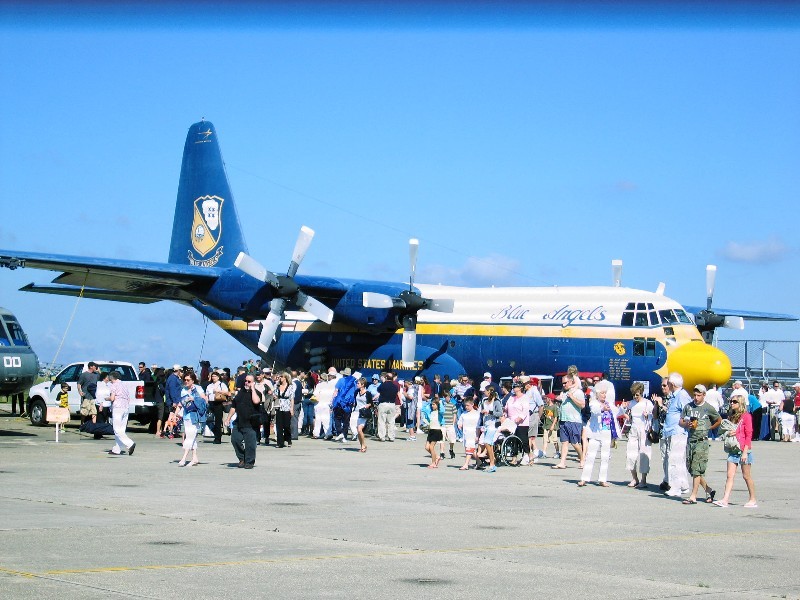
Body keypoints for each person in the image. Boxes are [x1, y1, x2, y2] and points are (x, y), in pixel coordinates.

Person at [679, 384, 721, 505]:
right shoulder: (688, 407)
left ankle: (693, 496)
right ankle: (709, 490)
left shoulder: (708, 408)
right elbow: (681, 421)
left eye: (699, 395)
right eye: (695, 395)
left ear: (704, 395)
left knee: (697, 470)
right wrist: (686, 424)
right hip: (690, 440)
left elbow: (718, 420)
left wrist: (709, 427)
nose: (696, 398)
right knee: (692, 469)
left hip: (702, 442)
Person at [713, 395, 757, 508]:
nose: (732, 403)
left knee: (746, 476)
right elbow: (729, 430)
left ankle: (752, 499)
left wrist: (745, 452)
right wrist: (728, 433)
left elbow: (749, 435)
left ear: (740, 403)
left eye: (734, 401)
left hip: (743, 449)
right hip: (733, 449)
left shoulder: (746, 416)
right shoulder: (732, 416)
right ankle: (725, 499)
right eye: (731, 401)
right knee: (729, 475)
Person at [654, 373, 692, 497]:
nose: (667, 385)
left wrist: (685, 424)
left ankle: (675, 487)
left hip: (678, 431)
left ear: (673, 384)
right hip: (672, 431)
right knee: (677, 460)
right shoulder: (675, 396)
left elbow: (688, 412)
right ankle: (683, 485)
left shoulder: (682, 395)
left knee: (674, 460)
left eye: (668, 383)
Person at [578, 380, 614, 487]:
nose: (604, 395)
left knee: (605, 457)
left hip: (606, 432)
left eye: (605, 393)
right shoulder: (594, 403)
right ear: (597, 394)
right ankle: (584, 478)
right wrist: (602, 408)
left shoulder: (609, 403)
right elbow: (594, 411)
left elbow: (615, 414)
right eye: (602, 393)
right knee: (591, 456)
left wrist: (623, 408)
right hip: (595, 433)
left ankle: (602, 479)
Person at [229, 373, 262, 468]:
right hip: (239, 421)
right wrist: (228, 418)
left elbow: (256, 401)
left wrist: (253, 389)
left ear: (253, 382)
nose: (246, 383)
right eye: (245, 381)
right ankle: (242, 458)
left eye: (249, 381)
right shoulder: (240, 393)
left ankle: (249, 462)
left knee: (250, 444)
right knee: (235, 440)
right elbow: (234, 406)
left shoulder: (256, 393)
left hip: (251, 423)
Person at [624, 382, 653, 488]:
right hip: (633, 429)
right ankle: (634, 478)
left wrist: (648, 416)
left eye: (637, 395)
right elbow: (624, 413)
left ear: (641, 393)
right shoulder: (631, 403)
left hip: (644, 430)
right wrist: (625, 413)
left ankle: (643, 480)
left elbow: (653, 417)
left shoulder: (647, 403)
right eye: (633, 395)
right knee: (630, 453)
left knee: (644, 454)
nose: (635, 397)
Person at [552, 374, 585, 469]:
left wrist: (572, 397)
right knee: (564, 442)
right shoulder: (564, 393)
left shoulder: (578, 392)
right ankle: (562, 462)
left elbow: (582, 405)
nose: (564, 385)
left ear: (571, 382)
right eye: (562, 383)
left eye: (565, 383)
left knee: (575, 443)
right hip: (564, 419)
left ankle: (582, 458)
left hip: (574, 420)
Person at [178, 371, 207, 467]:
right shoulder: (183, 390)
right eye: (185, 380)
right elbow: (181, 403)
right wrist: (174, 414)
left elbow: (204, 400)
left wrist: (194, 398)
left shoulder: (198, 388)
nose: (186, 382)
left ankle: (184, 458)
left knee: (190, 437)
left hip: (195, 416)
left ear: (193, 380)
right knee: (191, 436)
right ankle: (194, 458)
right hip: (186, 415)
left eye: (188, 380)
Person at [107, 371, 136, 456]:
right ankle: (117, 449)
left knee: (116, 429)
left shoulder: (114, 385)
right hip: (125, 408)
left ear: (112, 377)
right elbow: (128, 398)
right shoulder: (124, 385)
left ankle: (130, 443)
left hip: (118, 408)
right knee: (121, 430)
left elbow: (112, 398)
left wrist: (106, 398)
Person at [477, 387, 502, 473]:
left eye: (485, 391)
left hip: (493, 424)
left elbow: (500, 413)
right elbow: (480, 410)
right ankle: (492, 462)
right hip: (486, 424)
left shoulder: (496, 401)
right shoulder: (484, 400)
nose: (484, 392)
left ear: (489, 391)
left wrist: (490, 412)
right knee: (489, 444)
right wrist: (482, 411)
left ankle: (492, 462)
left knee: (487, 442)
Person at [504, 382, 530, 465]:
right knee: (513, 440)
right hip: (511, 422)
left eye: (515, 386)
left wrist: (520, 418)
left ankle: (529, 455)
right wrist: (505, 414)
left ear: (520, 388)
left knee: (523, 440)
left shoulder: (525, 397)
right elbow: (506, 407)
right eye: (513, 386)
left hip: (522, 423)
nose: (514, 388)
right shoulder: (511, 397)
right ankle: (514, 458)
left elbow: (525, 410)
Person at [205, 370, 229, 444]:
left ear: (218, 377)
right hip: (211, 403)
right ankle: (214, 433)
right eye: (212, 376)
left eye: (215, 376)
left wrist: (218, 391)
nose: (213, 377)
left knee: (218, 421)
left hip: (219, 403)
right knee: (210, 420)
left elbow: (227, 393)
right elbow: (206, 395)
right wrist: (206, 402)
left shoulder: (222, 384)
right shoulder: (209, 386)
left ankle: (218, 438)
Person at [457, 396, 480, 470]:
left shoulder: (477, 414)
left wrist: (477, 435)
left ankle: (466, 464)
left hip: (473, 434)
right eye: (465, 405)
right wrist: (460, 424)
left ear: (472, 404)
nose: (466, 407)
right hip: (465, 434)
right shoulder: (464, 414)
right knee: (471, 450)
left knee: (469, 449)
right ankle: (479, 461)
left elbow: (478, 426)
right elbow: (460, 421)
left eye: (468, 405)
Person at [274, 371, 296, 448]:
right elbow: (275, 395)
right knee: (279, 426)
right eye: (279, 377)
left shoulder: (290, 387)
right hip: (279, 407)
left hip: (287, 407)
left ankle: (288, 439)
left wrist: (292, 408)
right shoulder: (277, 386)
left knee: (286, 425)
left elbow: (292, 398)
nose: (280, 378)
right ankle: (280, 442)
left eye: (281, 377)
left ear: (285, 378)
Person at [375, 372, 399, 442]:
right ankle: (391, 437)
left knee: (381, 421)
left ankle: (382, 436)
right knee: (391, 421)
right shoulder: (395, 386)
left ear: (386, 378)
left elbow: (378, 390)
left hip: (383, 404)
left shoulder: (382, 385)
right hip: (392, 404)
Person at [422, 397, 445, 468]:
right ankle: (437, 457)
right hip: (431, 431)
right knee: (427, 447)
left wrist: (440, 402)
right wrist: (428, 402)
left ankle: (433, 463)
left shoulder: (439, 412)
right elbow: (423, 409)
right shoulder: (431, 412)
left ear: (437, 405)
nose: (432, 406)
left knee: (431, 447)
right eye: (432, 404)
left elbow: (442, 410)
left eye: (434, 404)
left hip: (437, 431)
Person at [354, 377, 373, 452]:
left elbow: (371, 403)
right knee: (357, 430)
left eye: (358, 383)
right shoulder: (356, 392)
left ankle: (363, 445)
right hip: (356, 411)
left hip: (363, 413)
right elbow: (355, 401)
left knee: (359, 429)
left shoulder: (368, 393)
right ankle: (362, 445)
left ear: (363, 384)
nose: (357, 384)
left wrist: (368, 405)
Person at [313, 373, 335, 439]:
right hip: (327, 404)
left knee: (318, 420)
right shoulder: (331, 385)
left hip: (319, 404)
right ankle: (328, 433)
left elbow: (315, 394)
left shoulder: (319, 385)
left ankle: (316, 434)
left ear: (321, 378)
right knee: (326, 420)